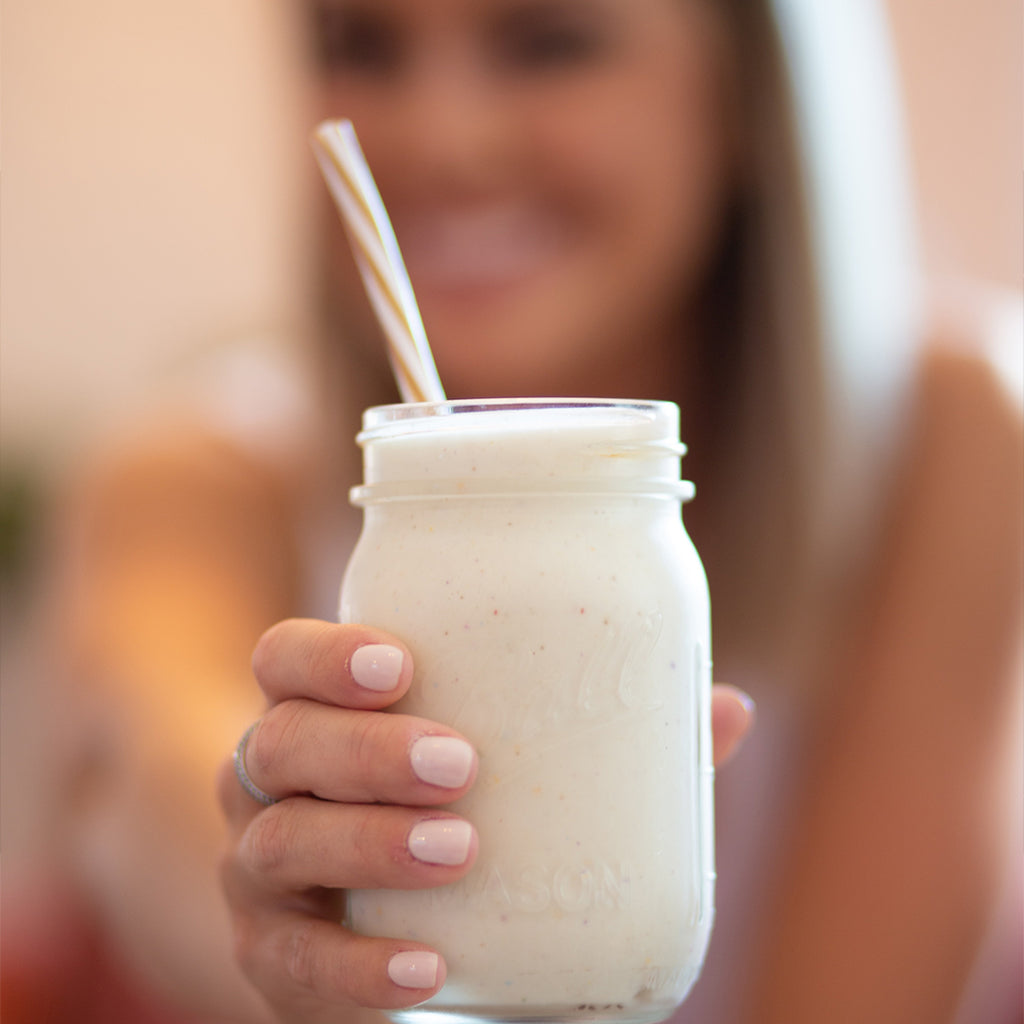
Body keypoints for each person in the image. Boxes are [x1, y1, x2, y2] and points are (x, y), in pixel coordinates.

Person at [11, 0, 1021, 1022]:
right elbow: (150, 770)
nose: (444, 139)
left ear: (746, 97)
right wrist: (270, 860)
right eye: (361, 45)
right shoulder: (196, 471)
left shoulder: (947, 434)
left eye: (550, 42)